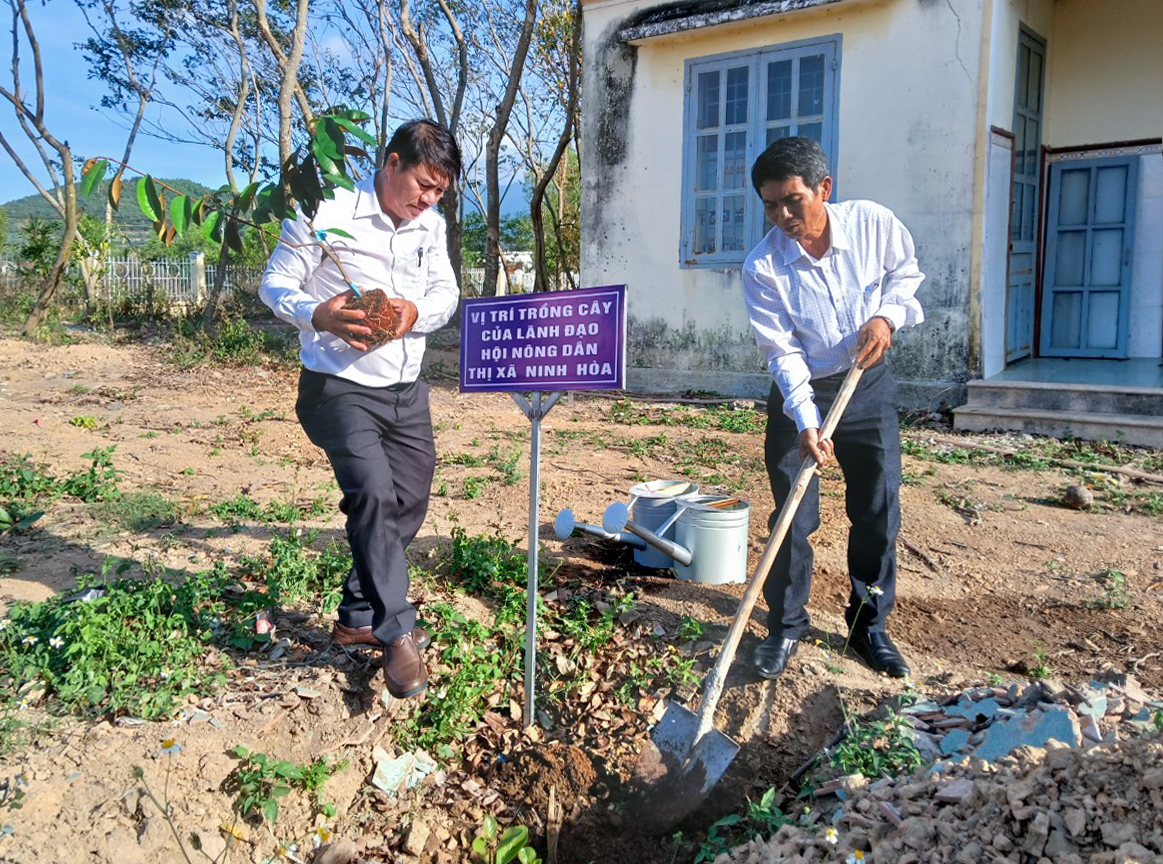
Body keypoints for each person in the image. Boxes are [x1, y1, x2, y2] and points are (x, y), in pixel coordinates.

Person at [259, 119, 461, 699]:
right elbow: (275, 283)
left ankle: (354, 614)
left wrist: (412, 312)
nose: (426, 200)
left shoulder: (431, 227)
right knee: (372, 494)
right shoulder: (325, 208)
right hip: (338, 385)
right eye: (422, 184)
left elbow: (445, 293)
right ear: (391, 163)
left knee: (408, 499)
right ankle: (396, 632)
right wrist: (317, 314)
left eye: (438, 192)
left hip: (406, 389)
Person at [741, 136, 924, 681]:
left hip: (866, 385)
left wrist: (888, 316)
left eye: (792, 200)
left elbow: (905, 273)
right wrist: (806, 422)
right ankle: (786, 625)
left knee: (877, 507)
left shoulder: (872, 224)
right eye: (770, 204)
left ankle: (869, 626)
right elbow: (782, 352)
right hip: (802, 392)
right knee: (793, 515)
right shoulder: (763, 267)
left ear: (824, 188)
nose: (782, 215)